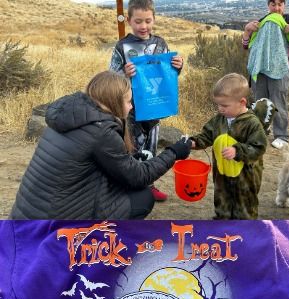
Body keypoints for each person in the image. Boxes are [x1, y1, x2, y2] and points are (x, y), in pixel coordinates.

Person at [10, 71, 188, 219]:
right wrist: (173, 152)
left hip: (28, 213)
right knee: (143, 197)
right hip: (56, 223)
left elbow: (92, 161)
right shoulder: (101, 132)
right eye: (128, 101)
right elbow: (138, 177)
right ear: (114, 102)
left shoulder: (71, 118)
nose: (131, 107)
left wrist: (131, 158)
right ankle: (102, 245)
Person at [109, 0, 184, 202]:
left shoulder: (160, 43)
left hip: (154, 108)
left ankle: (148, 186)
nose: (144, 26)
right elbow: (110, 78)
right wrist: (124, 73)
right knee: (131, 147)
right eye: (138, 21)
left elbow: (167, 75)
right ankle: (129, 186)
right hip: (130, 108)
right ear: (129, 20)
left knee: (151, 146)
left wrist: (178, 66)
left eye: (148, 21)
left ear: (154, 19)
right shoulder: (122, 46)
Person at [185, 73, 269, 219]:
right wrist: (193, 142)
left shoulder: (252, 123)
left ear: (242, 102)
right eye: (218, 104)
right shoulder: (219, 120)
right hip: (221, 175)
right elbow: (207, 135)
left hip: (245, 178)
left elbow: (259, 147)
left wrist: (238, 151)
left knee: (244, 207)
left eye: (224, 105)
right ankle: (222, 224)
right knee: (222, 200)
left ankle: (245, 230)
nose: (220, 109)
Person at [246, 0, 289, 150]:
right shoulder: (262, 22)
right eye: (273, 4)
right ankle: (261, 131)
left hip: (279, 71)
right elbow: (246, 45)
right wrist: (247, 30)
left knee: (278, 103)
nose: (277, 8)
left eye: (280, 4)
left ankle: (282, 136)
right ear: (268, 6)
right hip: (261, 69)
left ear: (284, 5)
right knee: (261, 102)